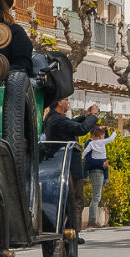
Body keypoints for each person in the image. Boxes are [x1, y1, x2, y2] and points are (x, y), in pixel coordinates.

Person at [42, 99, 98, 237]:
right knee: (75, 201)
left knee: (73, 201)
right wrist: (93, 116)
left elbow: (72, 123)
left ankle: (72, 232)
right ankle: (73, 233)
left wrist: (85, 116)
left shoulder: (54, 119)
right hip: (69, 168)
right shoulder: (58, 120)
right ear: (59, 102)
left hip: (63, 166)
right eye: (66, 100)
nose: (68, 102)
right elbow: (81, 129)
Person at [83, 124, 116, 227]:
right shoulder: (91, 143)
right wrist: (101, 164)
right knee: (96, 197)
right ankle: (92, 220)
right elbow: (87, 161)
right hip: (96, 171)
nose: (103, 136)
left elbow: (105, 138)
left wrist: (106, 130)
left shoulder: (96, 142)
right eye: (101, 133)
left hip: (100, 170)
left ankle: (106, 180)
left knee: (97, 196)